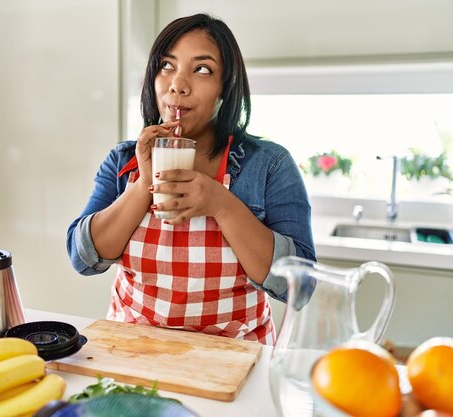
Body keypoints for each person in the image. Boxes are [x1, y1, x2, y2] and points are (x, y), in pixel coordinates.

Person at [67, 13, 315, 344]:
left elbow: (300, 286)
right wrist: (143, 185)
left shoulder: (269, 165)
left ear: (226, 88)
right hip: (132, 353)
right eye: (167, 66)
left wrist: (222, 205)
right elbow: (82, 258)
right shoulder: (123, 160)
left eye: (202, 70)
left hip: (236, 361)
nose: (177, 84)